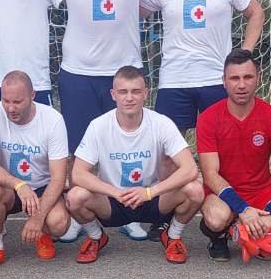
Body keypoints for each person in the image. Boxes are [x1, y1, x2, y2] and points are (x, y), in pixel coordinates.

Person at [0, 0, 235, 241]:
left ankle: (131, 212)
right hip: (78, 72)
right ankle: (77, 214)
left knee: (127, 146)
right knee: (77, 150)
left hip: (124, 73)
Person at [67, 65, 204, 264]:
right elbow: (78, 174)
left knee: (195, 191)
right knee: (75, 196)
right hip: (113, 200)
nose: (129, 97)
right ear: (113, 94)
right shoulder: (99, 126)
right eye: (123, 92)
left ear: (146, 94)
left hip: (151, 197)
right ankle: (96, 237)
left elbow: (190, 168)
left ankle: (172, 236)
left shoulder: (161, 123)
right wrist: (115, 192)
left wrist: (149, 192)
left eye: (136, 91)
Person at [141, 0, 265, 135]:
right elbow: (134, 12)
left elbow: (256, 13)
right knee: (168, 148)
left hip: (217, 78)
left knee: (225, 145)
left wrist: (245, 53)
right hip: (174, 79)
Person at [196, 48, 271, 263]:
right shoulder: (208, 118)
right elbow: (210, 174)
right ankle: (225, 234)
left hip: (261, 191)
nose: (241, 85)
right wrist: (242, 209)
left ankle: (258, 229)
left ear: (257, 79)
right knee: (216, 219)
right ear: (224, 81)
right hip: (222, 194)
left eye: (248, 77)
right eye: (234, 78)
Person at [0, 71, 70, 273]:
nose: (11, 108)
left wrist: (38, 218)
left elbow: (59, 178)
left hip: (42, 188)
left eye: (17, 102)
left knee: (59, 223)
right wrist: (19, 185)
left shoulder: (53, 119)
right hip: (9, 188)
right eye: (6, 101)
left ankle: (43, 234)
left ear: (32, 95)